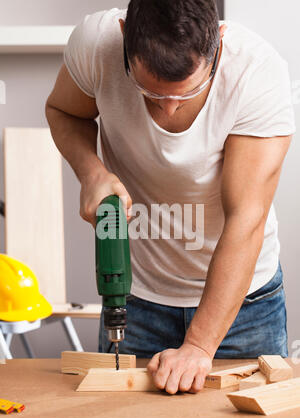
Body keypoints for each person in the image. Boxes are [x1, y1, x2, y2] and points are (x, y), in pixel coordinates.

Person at [45, 0, 296, 395]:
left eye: (191, 90)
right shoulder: (97, 44)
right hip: (138, 298)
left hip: (243, 309)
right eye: (149, 90)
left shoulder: (256, 73)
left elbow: (246, 219)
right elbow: (64, 110)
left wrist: (198, 345)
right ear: (125, 35)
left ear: (220, 42)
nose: (169, 108)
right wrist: (90, 172)